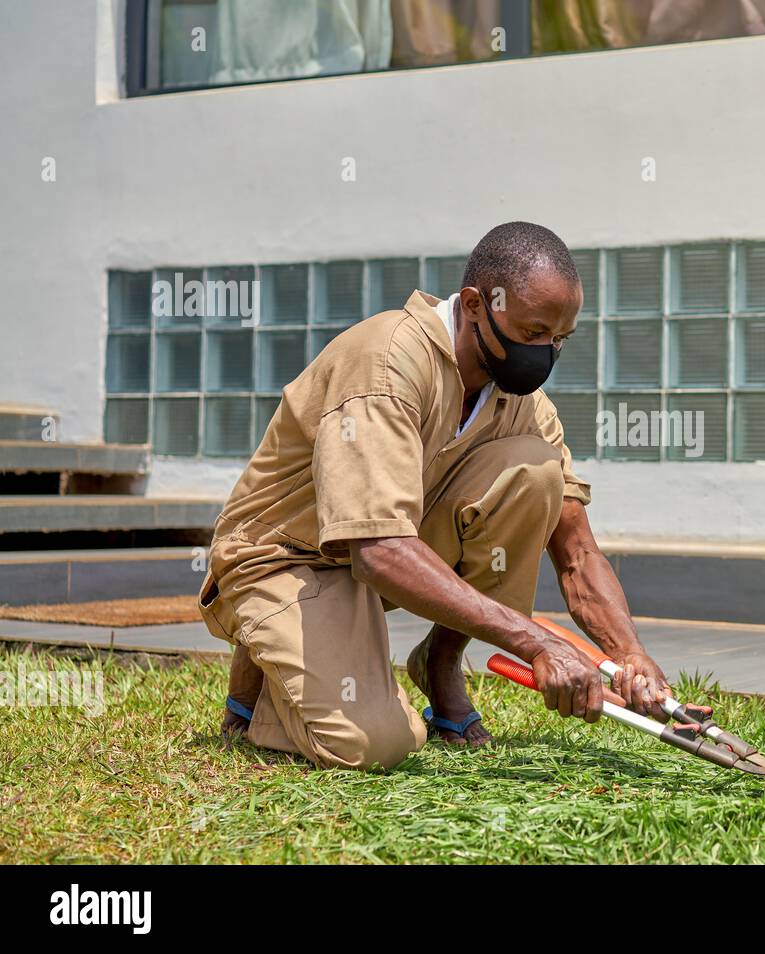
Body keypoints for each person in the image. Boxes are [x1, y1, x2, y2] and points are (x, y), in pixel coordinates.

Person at [198, 221, 670, 769]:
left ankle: (440, 665)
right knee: (376, 744)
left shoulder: (524, 404)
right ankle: (260, 668)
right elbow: (379, 551)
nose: (545, 354)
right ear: (474, 304)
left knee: (535, 475)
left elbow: (577, 552)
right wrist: (535, 642)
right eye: (533, 332)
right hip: (286, 558)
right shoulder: (386, 361)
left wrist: (629, 655)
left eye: (559, 339)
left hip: (377, 553)